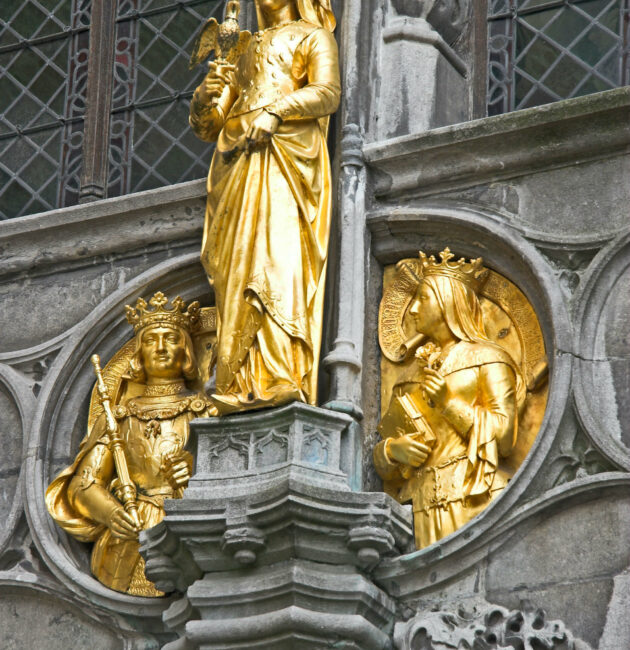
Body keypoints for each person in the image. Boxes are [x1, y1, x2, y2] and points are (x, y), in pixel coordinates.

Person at [189, 0, 340, 414]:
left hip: (287, 156)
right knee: (237, 267)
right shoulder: (242, 47)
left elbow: (327, 93)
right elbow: (209, 125)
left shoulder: (313, 35)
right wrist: (207, 96)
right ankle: (236, 379)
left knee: (278, 260)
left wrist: (275, 111)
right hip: (237, 161)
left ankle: (280, 373)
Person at [46, 292, 213, 596]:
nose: (160, 348)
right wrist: (110, 512)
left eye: (171, 339)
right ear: (139, 353)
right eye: (150, 341)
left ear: (187, 350)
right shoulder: (118, 417)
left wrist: (197, 475)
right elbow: (83, 483)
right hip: (129, 537)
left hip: (192, 528)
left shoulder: (208, 411)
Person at [373, 249, 526, 549]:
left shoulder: (488, 358)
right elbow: (385, 454)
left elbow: (506, 437)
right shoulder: (412, 374)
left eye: (423, 298)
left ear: (447, 302)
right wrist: (392, 451)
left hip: (474, 495)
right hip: (421, 505)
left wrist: (448, 403)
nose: (414, 309)